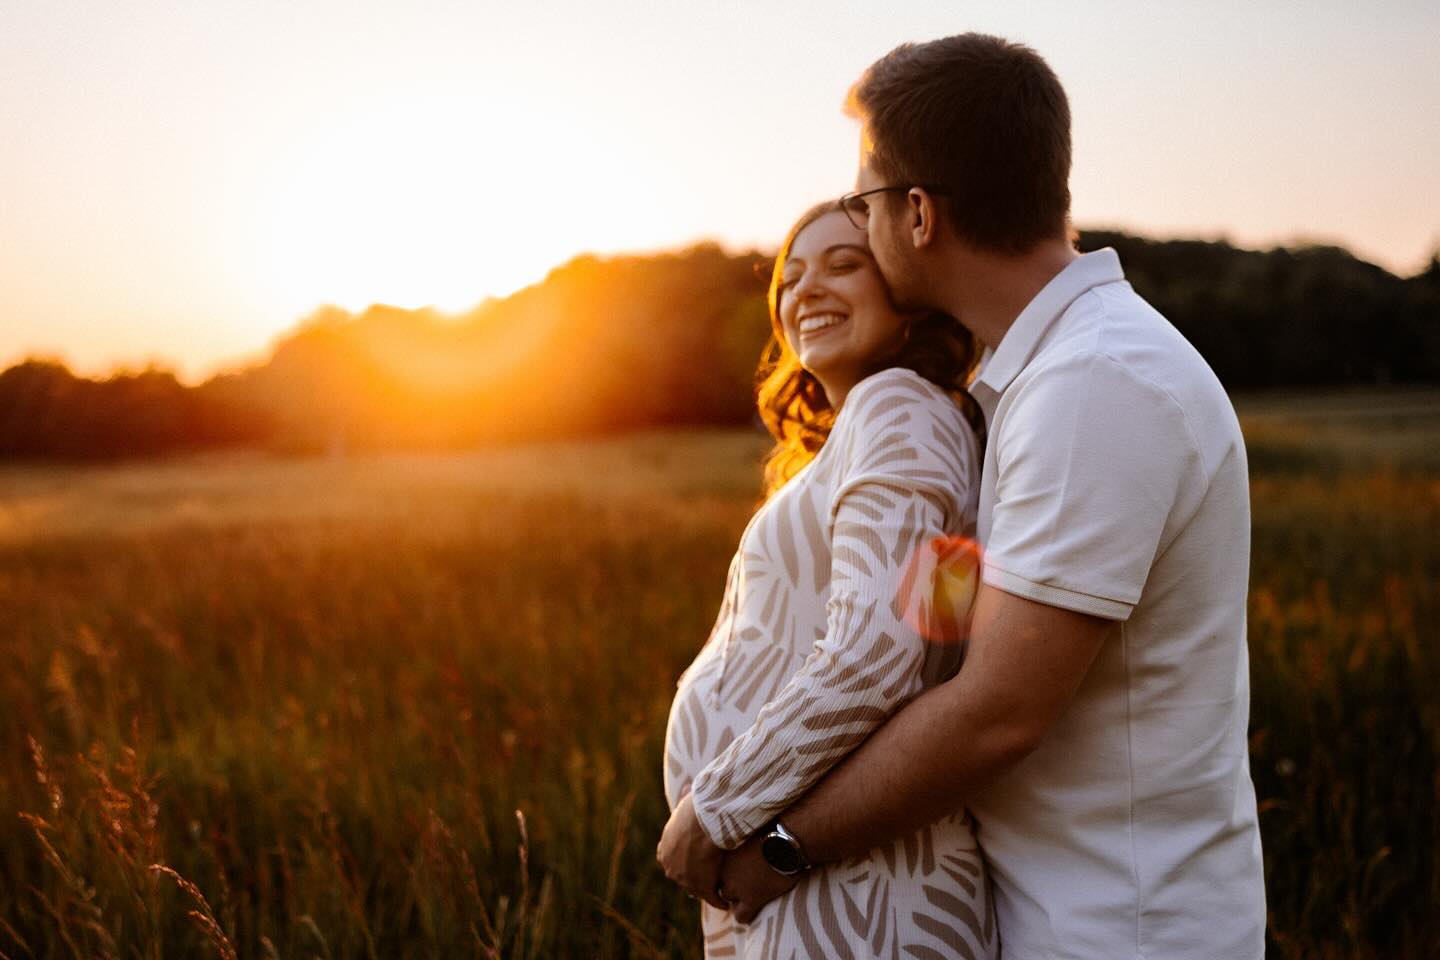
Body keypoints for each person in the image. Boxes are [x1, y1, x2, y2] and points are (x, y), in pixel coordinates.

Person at [660, 33, 1267, 959]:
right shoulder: (1036, 390)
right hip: (1042, 914)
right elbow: (935, 639)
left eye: (861, 206)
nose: (850, 231)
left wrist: (772, 841)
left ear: (916, 213)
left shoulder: (1093, 385)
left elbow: (995, 712)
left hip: (1117, 932)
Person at [658, 199, 996, 957]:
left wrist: (709, 815)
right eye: (791, 277)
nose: (806, 290)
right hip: (822, 884)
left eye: (844, 264)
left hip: (859, 892)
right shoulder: (873, 431)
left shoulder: (897, 406)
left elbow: (876, 656)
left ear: (908, 297)